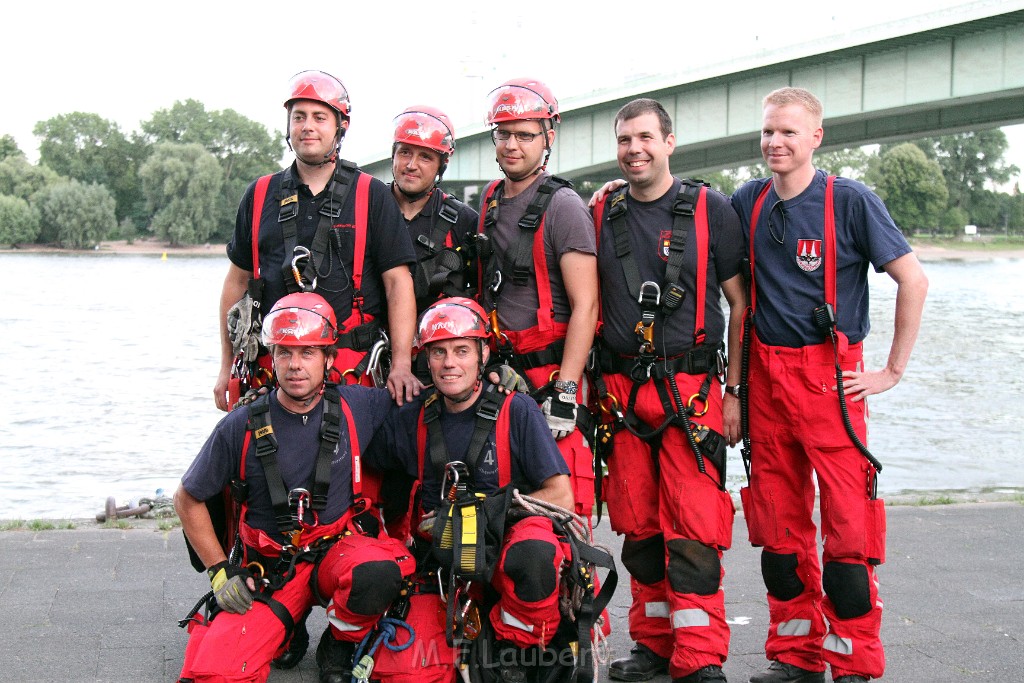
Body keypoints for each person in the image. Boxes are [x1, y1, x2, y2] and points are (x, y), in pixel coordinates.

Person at [730, 87, 929, 683]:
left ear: (816, 137)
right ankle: (795, 656)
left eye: (789, 131)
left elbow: (913, 280)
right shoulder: (748, 201)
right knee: (778, 533)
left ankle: (853, 662)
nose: (775, 142)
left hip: (832, 383)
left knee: (849, 536)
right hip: (766, 380)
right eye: (768, 131)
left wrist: (891, 371)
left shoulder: (851, 201)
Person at [176, 292, 414, 683]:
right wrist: (221, 572)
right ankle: (287, 633)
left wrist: (501, 387)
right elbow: (187, 499)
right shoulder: (240, 426)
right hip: (270, 571)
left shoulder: (360, 406)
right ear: (272, 359)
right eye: (285, 353)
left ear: (329, 360)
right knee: (213, 673)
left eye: (308, 353)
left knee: (377, 572)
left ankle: (340, 640)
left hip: (336, 554)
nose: (295, 365)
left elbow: (439, 399)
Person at [590, 99, 745, 683]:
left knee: (696, 530)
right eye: (625, 139)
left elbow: (741, 303)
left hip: (694, 391)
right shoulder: (602, 209)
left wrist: (736, 391)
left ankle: (700, 656)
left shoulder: (712, 209)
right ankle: (653, 645)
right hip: (624, 395)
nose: (635, 149)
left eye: (646, 138)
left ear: (670, 142)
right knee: (639, 528)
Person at [364, 297, 576, 681]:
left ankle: (517, 646)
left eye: (462, 351)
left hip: (505, 552)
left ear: (482, 355)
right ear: (425, 359)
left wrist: (480, 512)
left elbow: (561, 497)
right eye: (439, 352)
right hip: (444, 564)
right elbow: (358, 456)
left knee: (534, 552)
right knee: (407, 673)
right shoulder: (411, 417)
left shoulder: (518, 410)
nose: (449, 363)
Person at [213, 69, 420, 413]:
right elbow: (236, 283)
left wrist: (400, 364)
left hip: (350, 372)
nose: (308, 126)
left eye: (319, 117)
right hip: (275, 373)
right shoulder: (259, 194)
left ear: (341, 126)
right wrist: (226, 365)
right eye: (299, 117)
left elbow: (398, 284)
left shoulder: (372, 195)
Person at [475, 77, 599, 519]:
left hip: (551, 378)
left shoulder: (564, 207)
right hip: (502, 377)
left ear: (547, 137)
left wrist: (566, 389)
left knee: (562, 510)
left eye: (525, 135)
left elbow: (587, 305)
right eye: (503, 134)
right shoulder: (489, 201)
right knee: (509, 500)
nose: (512, 145)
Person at [389, 105, 479, 313]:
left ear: (442, 164)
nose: (411, 165)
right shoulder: (368, 205)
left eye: (425, 157)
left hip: (435, 339)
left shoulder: (464, 221)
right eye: (405, 152)